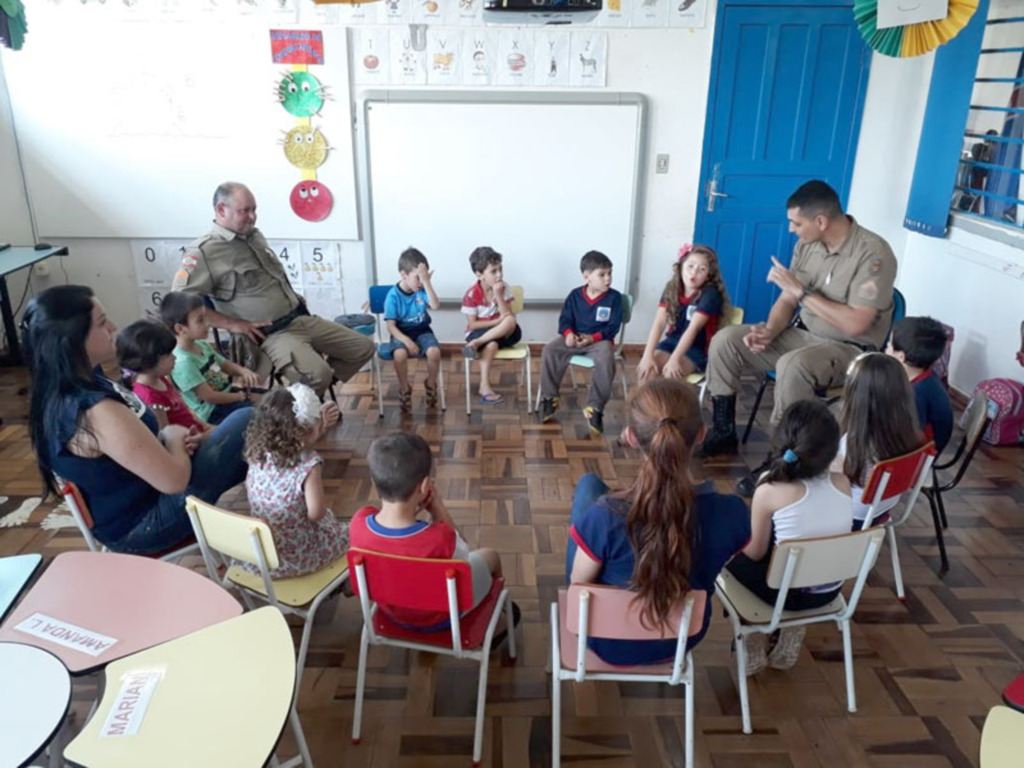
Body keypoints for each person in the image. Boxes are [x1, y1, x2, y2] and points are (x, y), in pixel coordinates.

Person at [23, 285, 251, 555]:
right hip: (142, 525)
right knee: (248, 419)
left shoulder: (72, 382)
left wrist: (169, 443)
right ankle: (285, 517)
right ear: (72, 340)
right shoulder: (96, 411)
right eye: (102, 322)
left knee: (244, 437)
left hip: (145, 493)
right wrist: (174, 438)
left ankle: (276, 506)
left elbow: (133, 449)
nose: (113, 327)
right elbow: (174, 481)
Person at [701, 180, 898, 459]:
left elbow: (856, 324)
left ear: (821, 221)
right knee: (725, 340)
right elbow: (787, 300)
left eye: (796, 223)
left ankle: (784, 458)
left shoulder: (874, 253)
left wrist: (803, 294)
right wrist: (769, 330)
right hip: (804, 335)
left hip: (850, 350)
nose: (791, 230)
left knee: (792, 364)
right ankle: (723, 432)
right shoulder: (808, 245)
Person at [567, 378, 750, 666]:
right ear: (701, 433)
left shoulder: (605, 514)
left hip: (605, 641)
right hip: (680, 639)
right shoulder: (733, 513)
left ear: (630, 436)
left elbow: (579, 584)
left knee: (589, 487)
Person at [170, 181, 374, 396]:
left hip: (299, 318)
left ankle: (303, 396)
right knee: (318, 374)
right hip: (272, 333)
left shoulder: (253, 236)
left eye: (254, 209)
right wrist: (232, 324)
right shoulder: (205, 251)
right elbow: (178, 301)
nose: (252, 216)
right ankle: (299, 405)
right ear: (221, 209)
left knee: (363, 348)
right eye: (245, 211)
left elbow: (270, 277)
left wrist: (290, 295)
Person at [723, 400, 852, 674]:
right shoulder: (843, 483)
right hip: (828, 592)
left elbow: (755, 552)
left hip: (780, 594)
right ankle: (793, 629)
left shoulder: (770, 489)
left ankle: (751, 637)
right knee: (788, 546)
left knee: (727, 551)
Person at [349, 432, 519, 634]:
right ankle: (497, 618)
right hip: (444, 617)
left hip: (392, 613)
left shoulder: (358, 524)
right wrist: (438, 510)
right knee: (490, 555)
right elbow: (463, 559)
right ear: (424, 486)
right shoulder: (439, 538)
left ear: (373, 481)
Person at [243, 384, 347, 578]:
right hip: (299, 557)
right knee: (348, 531)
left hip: (263, 553)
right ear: (307, 429)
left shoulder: (257, 454)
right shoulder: (308, 465)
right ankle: (345, 583)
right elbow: (316, 513)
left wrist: (317, 428)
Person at [835, 352, 924, 529]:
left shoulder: (853, 442)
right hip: (882, 508)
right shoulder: (910, 433)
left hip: (851, 515)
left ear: (855, 395)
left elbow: (836, 482)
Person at [538, 251, 623, 435]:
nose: (608, 278)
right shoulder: (575, 295)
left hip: (599, 341)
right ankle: (550, 398)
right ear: (587, 277)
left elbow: (613, 327)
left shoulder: (614, 298)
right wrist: (568, 334)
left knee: (607, 355)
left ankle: (595, 408)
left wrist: (593, 338)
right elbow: (565, 320)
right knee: (550, 350)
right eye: (602, 274)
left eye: (610, 273)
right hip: (575, 338)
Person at [160, 291, 261, 425]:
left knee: (272, 402)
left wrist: (244, 372)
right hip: (213, 411)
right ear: (180, 328)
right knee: (261, 415)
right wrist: (241, 396)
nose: (208, 323)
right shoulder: (183, 363)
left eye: (206, 318)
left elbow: (225, 365)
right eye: (200, 320)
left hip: (228, 395)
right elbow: (210, 397)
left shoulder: (202, 345)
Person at [636, 243, 728, 383]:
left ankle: (668, 405)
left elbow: (694, 328)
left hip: (698, 349)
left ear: (709, 274)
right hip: (672, 341)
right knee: (646, 372)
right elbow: (660, 322)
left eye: (701, 269)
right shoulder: (672, 288)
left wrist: (674, 359)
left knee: (671, 376)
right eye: (690, 266)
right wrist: (647, 356)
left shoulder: (710, 294)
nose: (694, 273)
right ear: (680, 267)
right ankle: (643, 406)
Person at [116, 319, 213, 433]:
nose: (174, 357)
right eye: (168, 355)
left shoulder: (160, 378)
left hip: (201, 433)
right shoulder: (150, 397)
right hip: (191, 445)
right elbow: (167, 437)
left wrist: (207, 427)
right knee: (238, 418)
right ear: (149, 361)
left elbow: (187, 411)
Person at [379, 247, 442, 413]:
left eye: (424, 277)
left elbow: (435, 305)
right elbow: (390, 326)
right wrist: (406, 341)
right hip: (401, 332)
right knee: (399, 355)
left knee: (434, 352)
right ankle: (404, 388)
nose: (420, 282)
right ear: (403, 275)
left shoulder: (422, 288)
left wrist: (427, 282)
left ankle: (430, 383)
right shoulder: (393, 296)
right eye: (417, 278)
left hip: (422, 330)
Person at [460, 246, 522, 405]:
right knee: (492, 344)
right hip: (479, 332)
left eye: (500, 269)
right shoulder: (471, 294)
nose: (499, 274)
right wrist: (496, 321)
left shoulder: (504, 287)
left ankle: (477, 345)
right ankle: (484, 386)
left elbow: (507, 316)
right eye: (493, 271)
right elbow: (473, 324)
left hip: (503, 332)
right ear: (479, 274)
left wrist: (499, 295)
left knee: (510, 321)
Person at [886, 316, 954, 455]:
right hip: (922, 448)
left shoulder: (917, 393)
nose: (885, 349)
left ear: (900, 357)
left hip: (918, 458)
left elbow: (912, 440)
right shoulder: (926, 376)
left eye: (889, 346)